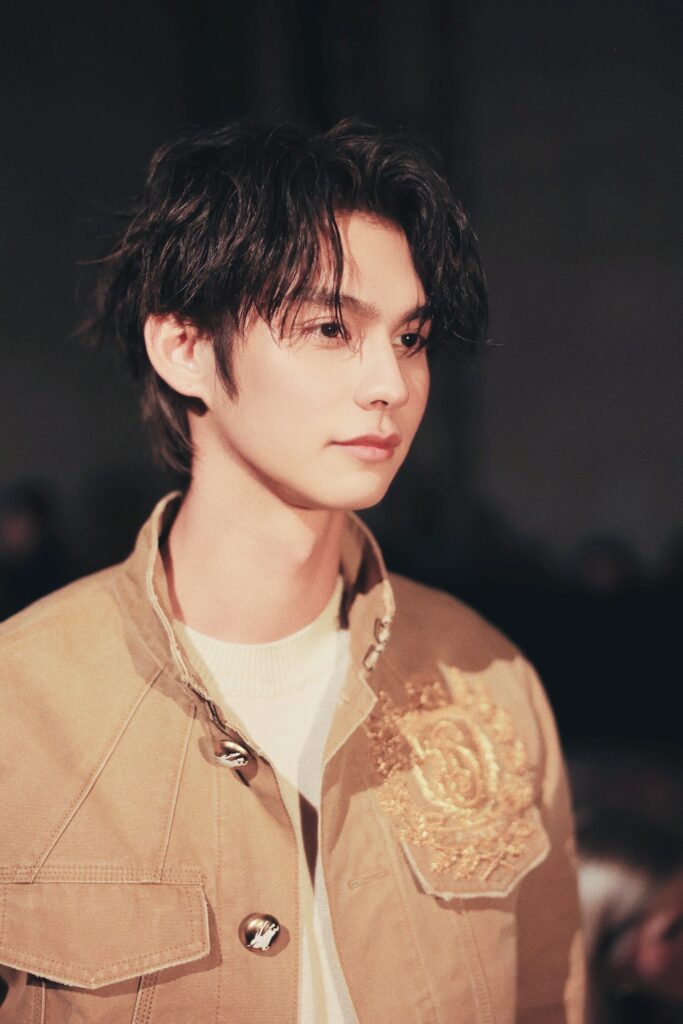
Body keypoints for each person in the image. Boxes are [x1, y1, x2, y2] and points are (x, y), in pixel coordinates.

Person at [0, 120, 585, 1023]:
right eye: (328, 328)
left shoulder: (487, 682)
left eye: (411, 337)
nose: (389, 383)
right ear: (184, 346)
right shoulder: (22, 703)